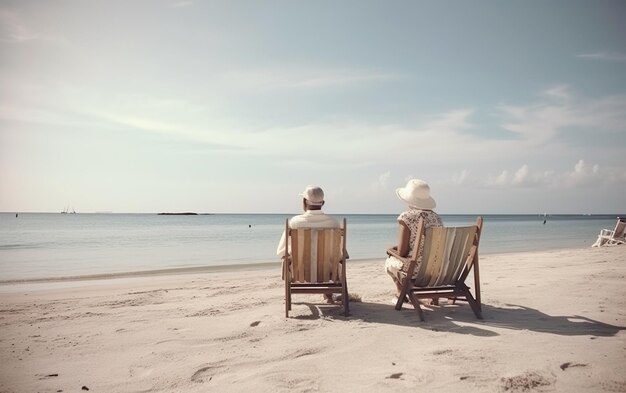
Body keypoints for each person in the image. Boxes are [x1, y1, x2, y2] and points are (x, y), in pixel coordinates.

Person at [277, 185, 340, 303]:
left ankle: (288, 295)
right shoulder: (334, 223)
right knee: (333, 261)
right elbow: (339, 253)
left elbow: (281, 251)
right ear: (323, 203)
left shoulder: (295, 222)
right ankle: (329, 295)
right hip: (328, 274)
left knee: (285, 258)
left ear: (305, 201)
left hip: (300, 273)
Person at [385, 179, 443, 301]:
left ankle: (401, 293)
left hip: (416, 271)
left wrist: (391, 251)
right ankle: (434, 298)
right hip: (436, 270)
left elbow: (402, 252)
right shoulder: (437, 218)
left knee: (389, 262)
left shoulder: (407, 217)